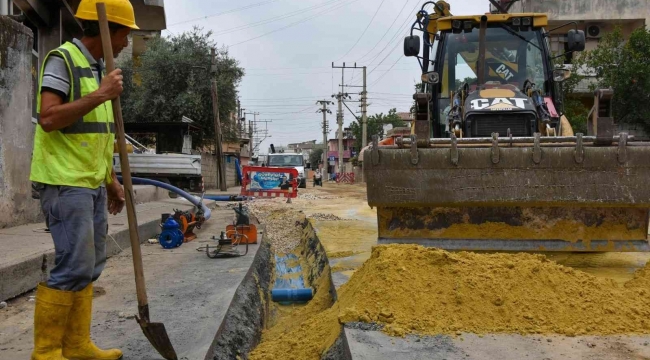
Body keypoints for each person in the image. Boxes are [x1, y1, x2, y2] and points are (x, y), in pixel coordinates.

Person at [28, 1, 138, 359]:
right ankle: (46, 354)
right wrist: (100, 95)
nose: (126, 43)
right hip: (64, 182)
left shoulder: (97, 70)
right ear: (108, 31)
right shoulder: (63, 60)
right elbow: (48, 118)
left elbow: (95, 136)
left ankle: (76, 346)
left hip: (90, 183)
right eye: (125, 34)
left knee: (90, 266)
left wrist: (111, 182)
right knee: (73, 265)